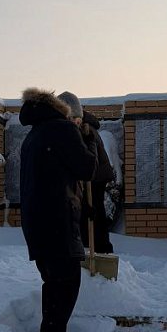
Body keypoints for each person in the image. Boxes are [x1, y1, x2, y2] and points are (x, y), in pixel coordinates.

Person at [19, 87, 97, 332]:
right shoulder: (62, 130)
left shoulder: (36, 132)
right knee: (66, 282)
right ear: (70, 115)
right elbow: (88, 168)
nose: (78, 123)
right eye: (77, 119)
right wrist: (88, 139)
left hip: (38, 218)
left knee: (54, 281)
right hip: (57, 218)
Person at [58, 92, 116, 254]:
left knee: (93, 213)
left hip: (95, 177)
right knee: (91, 213)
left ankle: (100, 250)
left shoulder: (86, 130)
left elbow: (89, 160)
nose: (73, 122)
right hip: (93, 175)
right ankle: (96, 248)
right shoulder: (82, 127)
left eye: (75, 119)